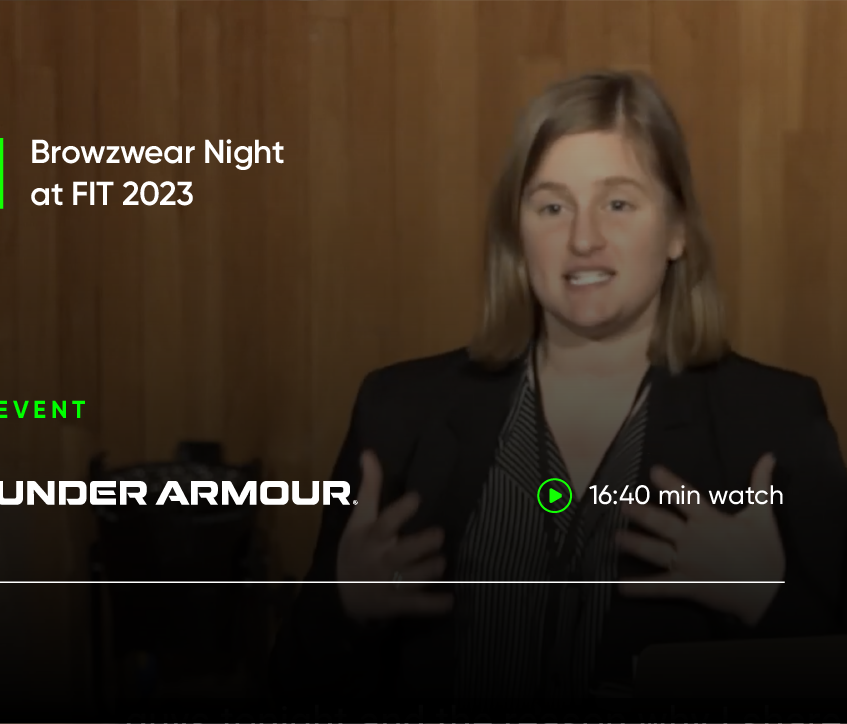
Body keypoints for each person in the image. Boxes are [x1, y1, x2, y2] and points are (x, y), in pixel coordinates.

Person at [268, 70, 847, 700]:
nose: (583, 238)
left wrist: (767, 602)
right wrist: (343, 612)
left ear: (677, 230)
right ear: (518, 237)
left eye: (618, 204)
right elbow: (293, 688)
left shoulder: (774, 420)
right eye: (552, 207)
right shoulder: (400, 413)